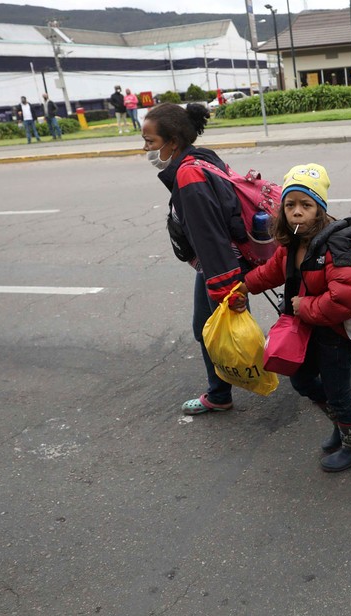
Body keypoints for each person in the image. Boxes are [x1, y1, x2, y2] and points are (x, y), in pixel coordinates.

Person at [238, 164, 351, 472]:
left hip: (335, 335)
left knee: (337, 391)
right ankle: (341, 423)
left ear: (320, 210)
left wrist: (306, 306)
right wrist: (244, 287)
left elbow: (347, 298)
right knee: (302, 379)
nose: (298, 212)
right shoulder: (293, 244)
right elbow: (272, 271)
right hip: (308, 331)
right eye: (290, 205)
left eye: (306, 205)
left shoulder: (336, 247)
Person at [141, 103, 250, 416]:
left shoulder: (188, 175)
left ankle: (221, 393)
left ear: (172, 141)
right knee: (213, 327)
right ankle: (221, 389)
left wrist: (227, 289)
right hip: (226, 260)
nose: (145, 149)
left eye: (150, 142)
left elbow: (210, 238)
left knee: (210, 327)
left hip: (220, 266)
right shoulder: (201, 156)